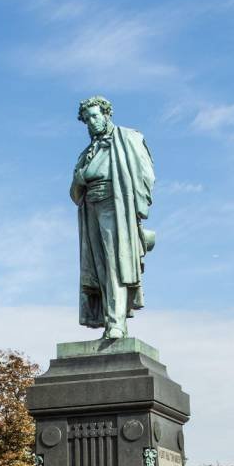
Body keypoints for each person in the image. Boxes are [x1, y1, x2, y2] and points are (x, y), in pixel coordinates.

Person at [71, 96, 156, 340]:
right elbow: (74, 191)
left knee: (116, 263)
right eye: (87, 119)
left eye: (95, 116)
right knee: (98, 269)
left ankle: (117, 322)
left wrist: (137, 208)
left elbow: (146, 174)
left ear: (107, 114)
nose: (91, 122)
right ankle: (110, 323)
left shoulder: (129, 138)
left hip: (116, 203)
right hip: (90, 207)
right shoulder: (86, 153)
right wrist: (80, 179)